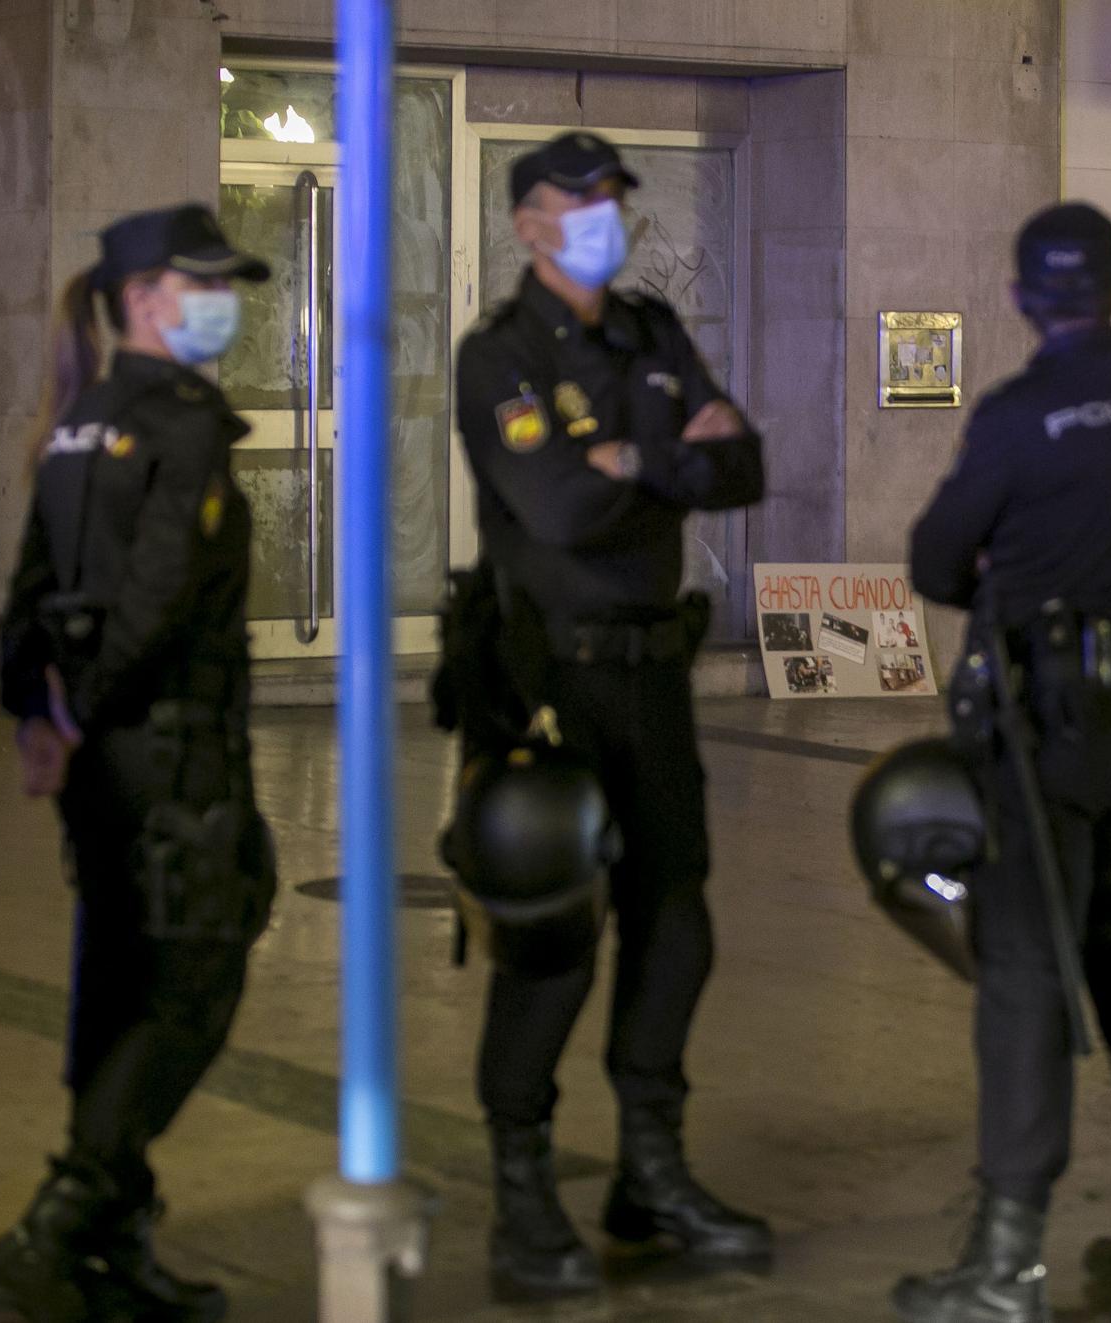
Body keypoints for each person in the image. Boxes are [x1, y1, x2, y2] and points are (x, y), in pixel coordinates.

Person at [450, 130, 769, 1302]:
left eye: (611, 200)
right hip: (546, 691)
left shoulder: (648, 329)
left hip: (650, 681)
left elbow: (742, 468)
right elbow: (559, 504)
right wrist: (659, 452)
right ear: (529, 220)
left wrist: (633, 455)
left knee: (674, 924)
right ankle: (523, 1200)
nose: (601, 217)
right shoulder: (500, 358)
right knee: (548, 947)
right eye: (576, 202)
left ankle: (650, 1172)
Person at [899, 202, 1111, 1323]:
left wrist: (1003, 559)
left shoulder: (1020, 412)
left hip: (1039, 734)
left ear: (1025, 296)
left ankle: (1005, 1265)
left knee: (1026, 981)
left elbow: (935, 560)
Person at [0, 205, 277, 1323]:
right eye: (206, 285)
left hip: (106, 763)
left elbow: (28, 592)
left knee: (118, 980)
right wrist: (95, 710)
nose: (224, 304)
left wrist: (44, 719)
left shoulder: (78, 416)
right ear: (146, 296)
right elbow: (156, 597)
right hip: (176, 750)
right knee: (192, 980)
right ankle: (65, 1220)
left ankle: (114, 1242)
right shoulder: (183, 418)